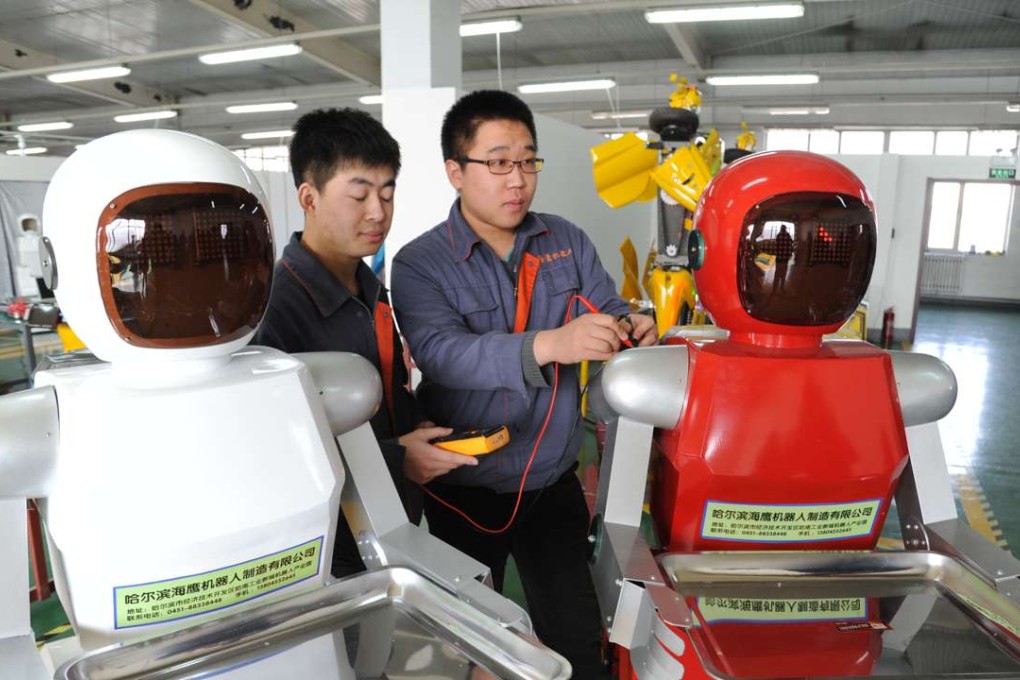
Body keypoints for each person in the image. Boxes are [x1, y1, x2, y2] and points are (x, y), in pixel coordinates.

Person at [390, 90, 657, 676]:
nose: (518, 180)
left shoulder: (565, 241)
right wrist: (550, 345)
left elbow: (605, 302)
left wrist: (630, 323)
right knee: (469, 638)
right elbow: (441, 354)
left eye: (528, 161)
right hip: (463, 481)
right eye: (499, 162)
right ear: (455, 172)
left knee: (576, 635)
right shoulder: (419, 263)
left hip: (550, 481)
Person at [252, 108, 478, 578]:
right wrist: (398, 459)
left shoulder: (367, 285)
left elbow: (385, 398)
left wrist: (424, 427)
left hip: (389, 522)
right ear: (308, 197)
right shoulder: (274, 311)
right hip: (328, 550)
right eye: (359, 195)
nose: (378, 212)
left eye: (388, 194)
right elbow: (274, 449)